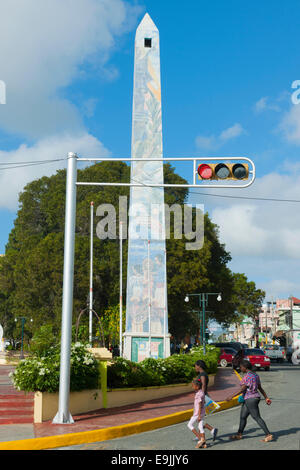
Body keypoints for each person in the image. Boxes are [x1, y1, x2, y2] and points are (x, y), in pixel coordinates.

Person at [226, 359, 273, 442]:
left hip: (250, 399)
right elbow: (260, 388)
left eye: (241, 367)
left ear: (245, 367)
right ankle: (239, 434)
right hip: (253, 398)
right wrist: (266, 397)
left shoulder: (247, 376)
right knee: (243, 416)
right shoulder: (255, 375)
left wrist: (231, 396)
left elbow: (242, 388)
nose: (240, 369)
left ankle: (268, 434)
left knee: (256, 417)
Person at [194, 360, 218, 441]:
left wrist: (202, 397)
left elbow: (203, 385)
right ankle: (204, 433)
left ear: (199, 366)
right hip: (202, 396)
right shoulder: (202, 374)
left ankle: (210, 430)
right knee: (200, 416)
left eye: (195, 366)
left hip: (202, 397)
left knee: (199, 416)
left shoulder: (203, 375)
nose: (195, 368)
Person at [187, 379, 207, 449]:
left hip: (197, 414)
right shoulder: (202, 392)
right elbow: (203, 402)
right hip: (202, 413)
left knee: (189, 424)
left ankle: (200, 439)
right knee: (200, 427)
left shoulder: (198, 394)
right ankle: (204, 444)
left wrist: (198, 416)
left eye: (193, 386)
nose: (192, 387)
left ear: (197, 386)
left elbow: (199, 405)